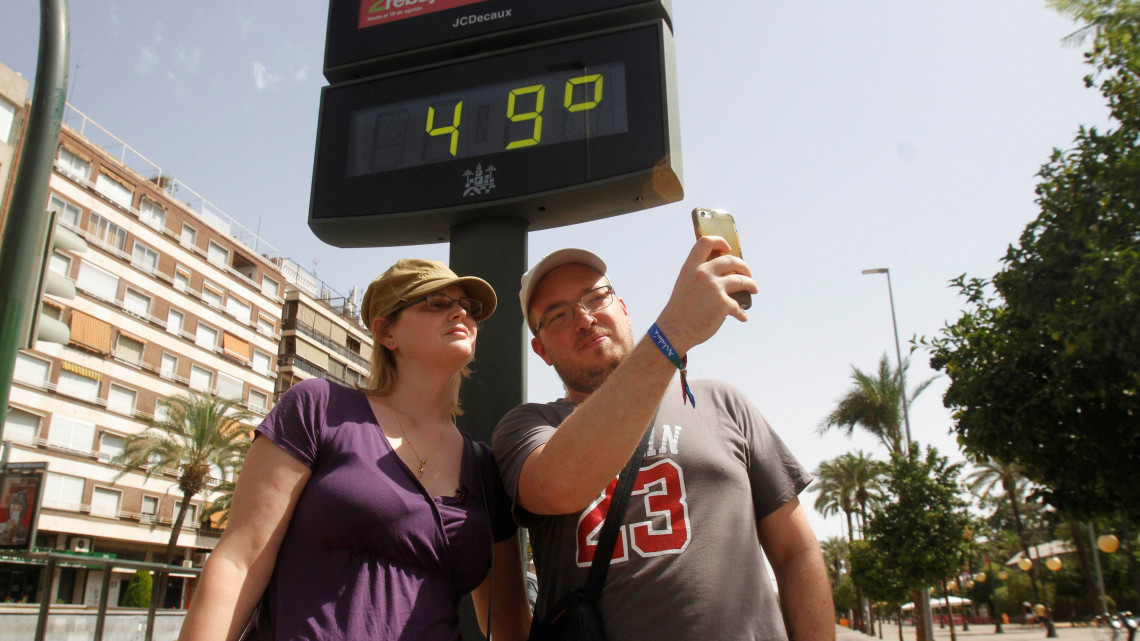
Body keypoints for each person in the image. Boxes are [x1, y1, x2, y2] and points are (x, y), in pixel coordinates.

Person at [493, 238, 834, 641]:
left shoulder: (723, 403)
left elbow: (796, 552)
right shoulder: (528, 427)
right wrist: (671, 332)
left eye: (596, 298)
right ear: (541, 350)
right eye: (558, 316)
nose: (584, 319)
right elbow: (556, 486)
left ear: (623, 309)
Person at [179, 259, 531, 641]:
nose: (460, 311)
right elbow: (238, 563)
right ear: (386, 332)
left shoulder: (483, 467)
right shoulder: (319, 408)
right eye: (435, 301)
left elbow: (510, 623)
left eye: (469, 306)